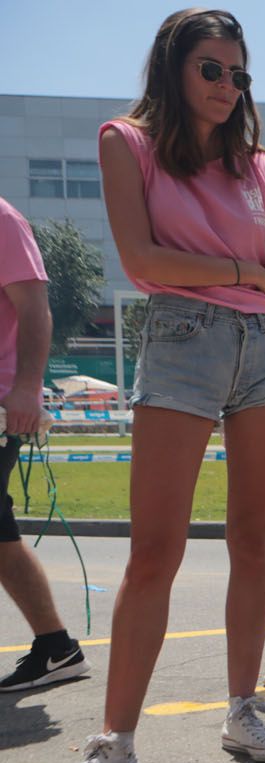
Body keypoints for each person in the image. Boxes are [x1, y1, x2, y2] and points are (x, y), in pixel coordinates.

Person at [19, 9, 265, 763]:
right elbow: (142, 259)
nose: (224, 87)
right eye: (210, 69)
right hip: (182, 337)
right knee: (154, 552)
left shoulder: (263, 169)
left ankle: (244, 714)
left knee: (251, 538)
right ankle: (113, 747)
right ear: (174, 67)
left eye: (237, 74)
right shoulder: (126, 142)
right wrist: (242, 266)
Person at [0, 197, 89, 693]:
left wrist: (28, 388)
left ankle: (58, 647)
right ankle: (57, 647)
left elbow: (34, 306)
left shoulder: (3, 219)